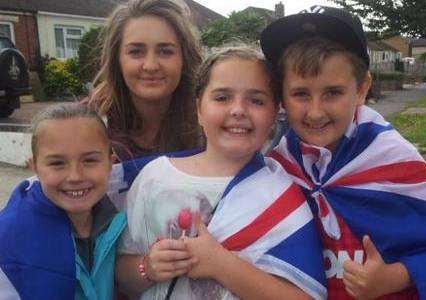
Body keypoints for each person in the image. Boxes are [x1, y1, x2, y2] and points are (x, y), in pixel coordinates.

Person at [260, 5, 426, 300]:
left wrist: (396, 276)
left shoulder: (396, 162)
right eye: (300, 94)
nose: (315, 112)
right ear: (281, 95)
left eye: (333, 93)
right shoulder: (274, 170)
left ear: (362, 89)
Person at [115, 47, 327, 300]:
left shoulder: (283, 196)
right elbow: (119, 275)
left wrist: (220, 264)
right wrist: (147, 267)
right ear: (199, 109)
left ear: (274, 115)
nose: (238, 110)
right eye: (222, 98)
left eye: (256, 100)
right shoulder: (154, 177)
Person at [0, 103, 126, 299]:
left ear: (111, 163)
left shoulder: (122, 221)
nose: (75, 176)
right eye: (57, 163)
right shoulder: (8, 241)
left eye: (90, 160)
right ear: (35, 167)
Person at [87, 0, 202, 161]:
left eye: (166, 51)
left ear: (185, 58)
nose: (151, 66)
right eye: (136, 52)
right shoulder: (85, 122)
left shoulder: (209, 124)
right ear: (116, 59)